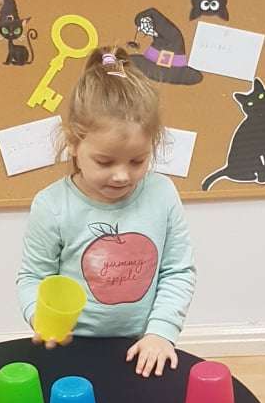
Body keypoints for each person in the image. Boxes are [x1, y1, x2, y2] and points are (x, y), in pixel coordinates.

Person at [16, 46, 196, 377]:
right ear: (73, 143)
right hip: (71, 347)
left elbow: (178, 271)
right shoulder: (52, 205)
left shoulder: (162, 193)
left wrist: (161, 332)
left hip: (141, 346)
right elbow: (33, 277)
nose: (122, 175)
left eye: (138, 160)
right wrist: (38, 316)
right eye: (105, 161)